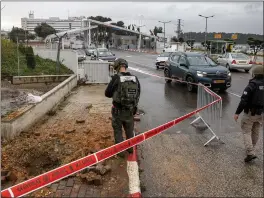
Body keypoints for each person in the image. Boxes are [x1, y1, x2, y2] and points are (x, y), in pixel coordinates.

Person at [105, 58, 141, 156]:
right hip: (130, 111)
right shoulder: (135, 78)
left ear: (117, 67)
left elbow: (107, 93)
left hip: (117, 111)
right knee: (129, 130)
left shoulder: (116, 78)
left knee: (118, 130)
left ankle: (120, 152)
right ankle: (130, 149)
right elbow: (138, 94)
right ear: (126, 66)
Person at [234, 65, 264, 163]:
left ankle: (250, 152)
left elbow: (244, 101)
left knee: (246, 131)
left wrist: (237, 112)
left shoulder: (252, 85)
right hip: (261, 113)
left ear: (255, 74)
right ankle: (251, 149)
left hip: (251, 113)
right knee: (256, 131)